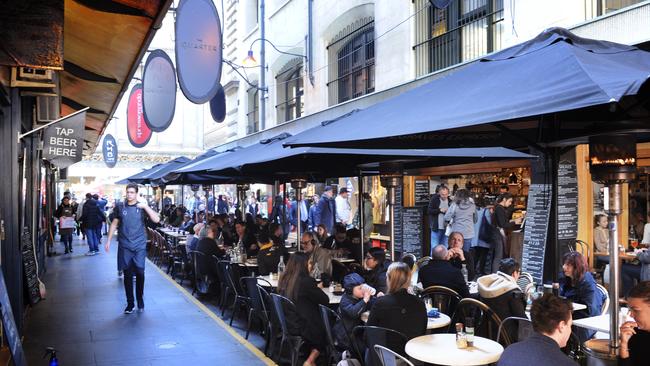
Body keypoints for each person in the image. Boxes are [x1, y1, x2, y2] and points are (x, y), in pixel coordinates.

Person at [106, 183, 161, 313]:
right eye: (128, 192)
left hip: (139, 245)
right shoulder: (120, 207)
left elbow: (156, 219)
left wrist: (146, 206)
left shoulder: (142, 207)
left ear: (136, 194)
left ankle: (140, 298)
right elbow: (114, 223)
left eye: (132, 192)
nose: (130, 194)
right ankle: (130, 303)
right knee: (128, 275)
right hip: (125, 245)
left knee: (140, 273)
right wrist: (108, 240)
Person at [367, 262, 427, 364]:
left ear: (389, 279)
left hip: (385, 357)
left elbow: (369, 334)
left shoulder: (381, 303)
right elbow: (422, 331)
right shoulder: (420, 303)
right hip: (412, 356)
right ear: (408, 280)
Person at [277, 252, 329, 366]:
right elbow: (325, 300)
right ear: (303, 265)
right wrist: (316, 288)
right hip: (303, 327)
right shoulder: (306, 282)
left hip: (289, 323)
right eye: (309, 263)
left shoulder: (284, 279)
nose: (311, 265)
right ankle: (311, 359)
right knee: (327, 326)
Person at [498, 294, 577, 366]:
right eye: (570, 325)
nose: (570, 330)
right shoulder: (566, 363)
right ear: (562, 326)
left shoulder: (509, 351)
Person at [559, 251, 604, 342]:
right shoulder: (567, 279)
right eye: (564, 264)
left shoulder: (587, 284)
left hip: (584, 323)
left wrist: (569, 313)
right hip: (570, 315)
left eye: (568, 265)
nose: (564, 267)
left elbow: (591, 311)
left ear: (577, 268)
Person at [477, 258, 526, 340]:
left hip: (484, 333)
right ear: (514, 274)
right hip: (505, 337)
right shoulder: (513, 291)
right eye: (519, 273)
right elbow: (522, 320)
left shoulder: (487, 284)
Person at [334, 273, 377, 349]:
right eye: (360, 288)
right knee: (369, 347)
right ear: (350, 290)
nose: (362, 290)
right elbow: (353, 313)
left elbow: (372, 304)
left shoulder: (358, 297)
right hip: (346, 336)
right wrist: (365, 300)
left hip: (354, 332)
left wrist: (378, 299)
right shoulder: (345, 301)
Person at [619, 281, 650, 366]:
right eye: (630, 310)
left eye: (636, 310)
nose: (631, 315)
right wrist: (624, 345)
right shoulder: (635, 334)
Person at [494, 193, 523, 258]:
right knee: (499, 256)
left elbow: (503, 221)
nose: (510, 203)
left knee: (500, 255)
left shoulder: (500, 208)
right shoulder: (499, 209)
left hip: (498, 233)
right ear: (504, 199)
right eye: (509, 201)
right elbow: (503, 224)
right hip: (498, 233)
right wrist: (515, 222)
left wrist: (513, 220)